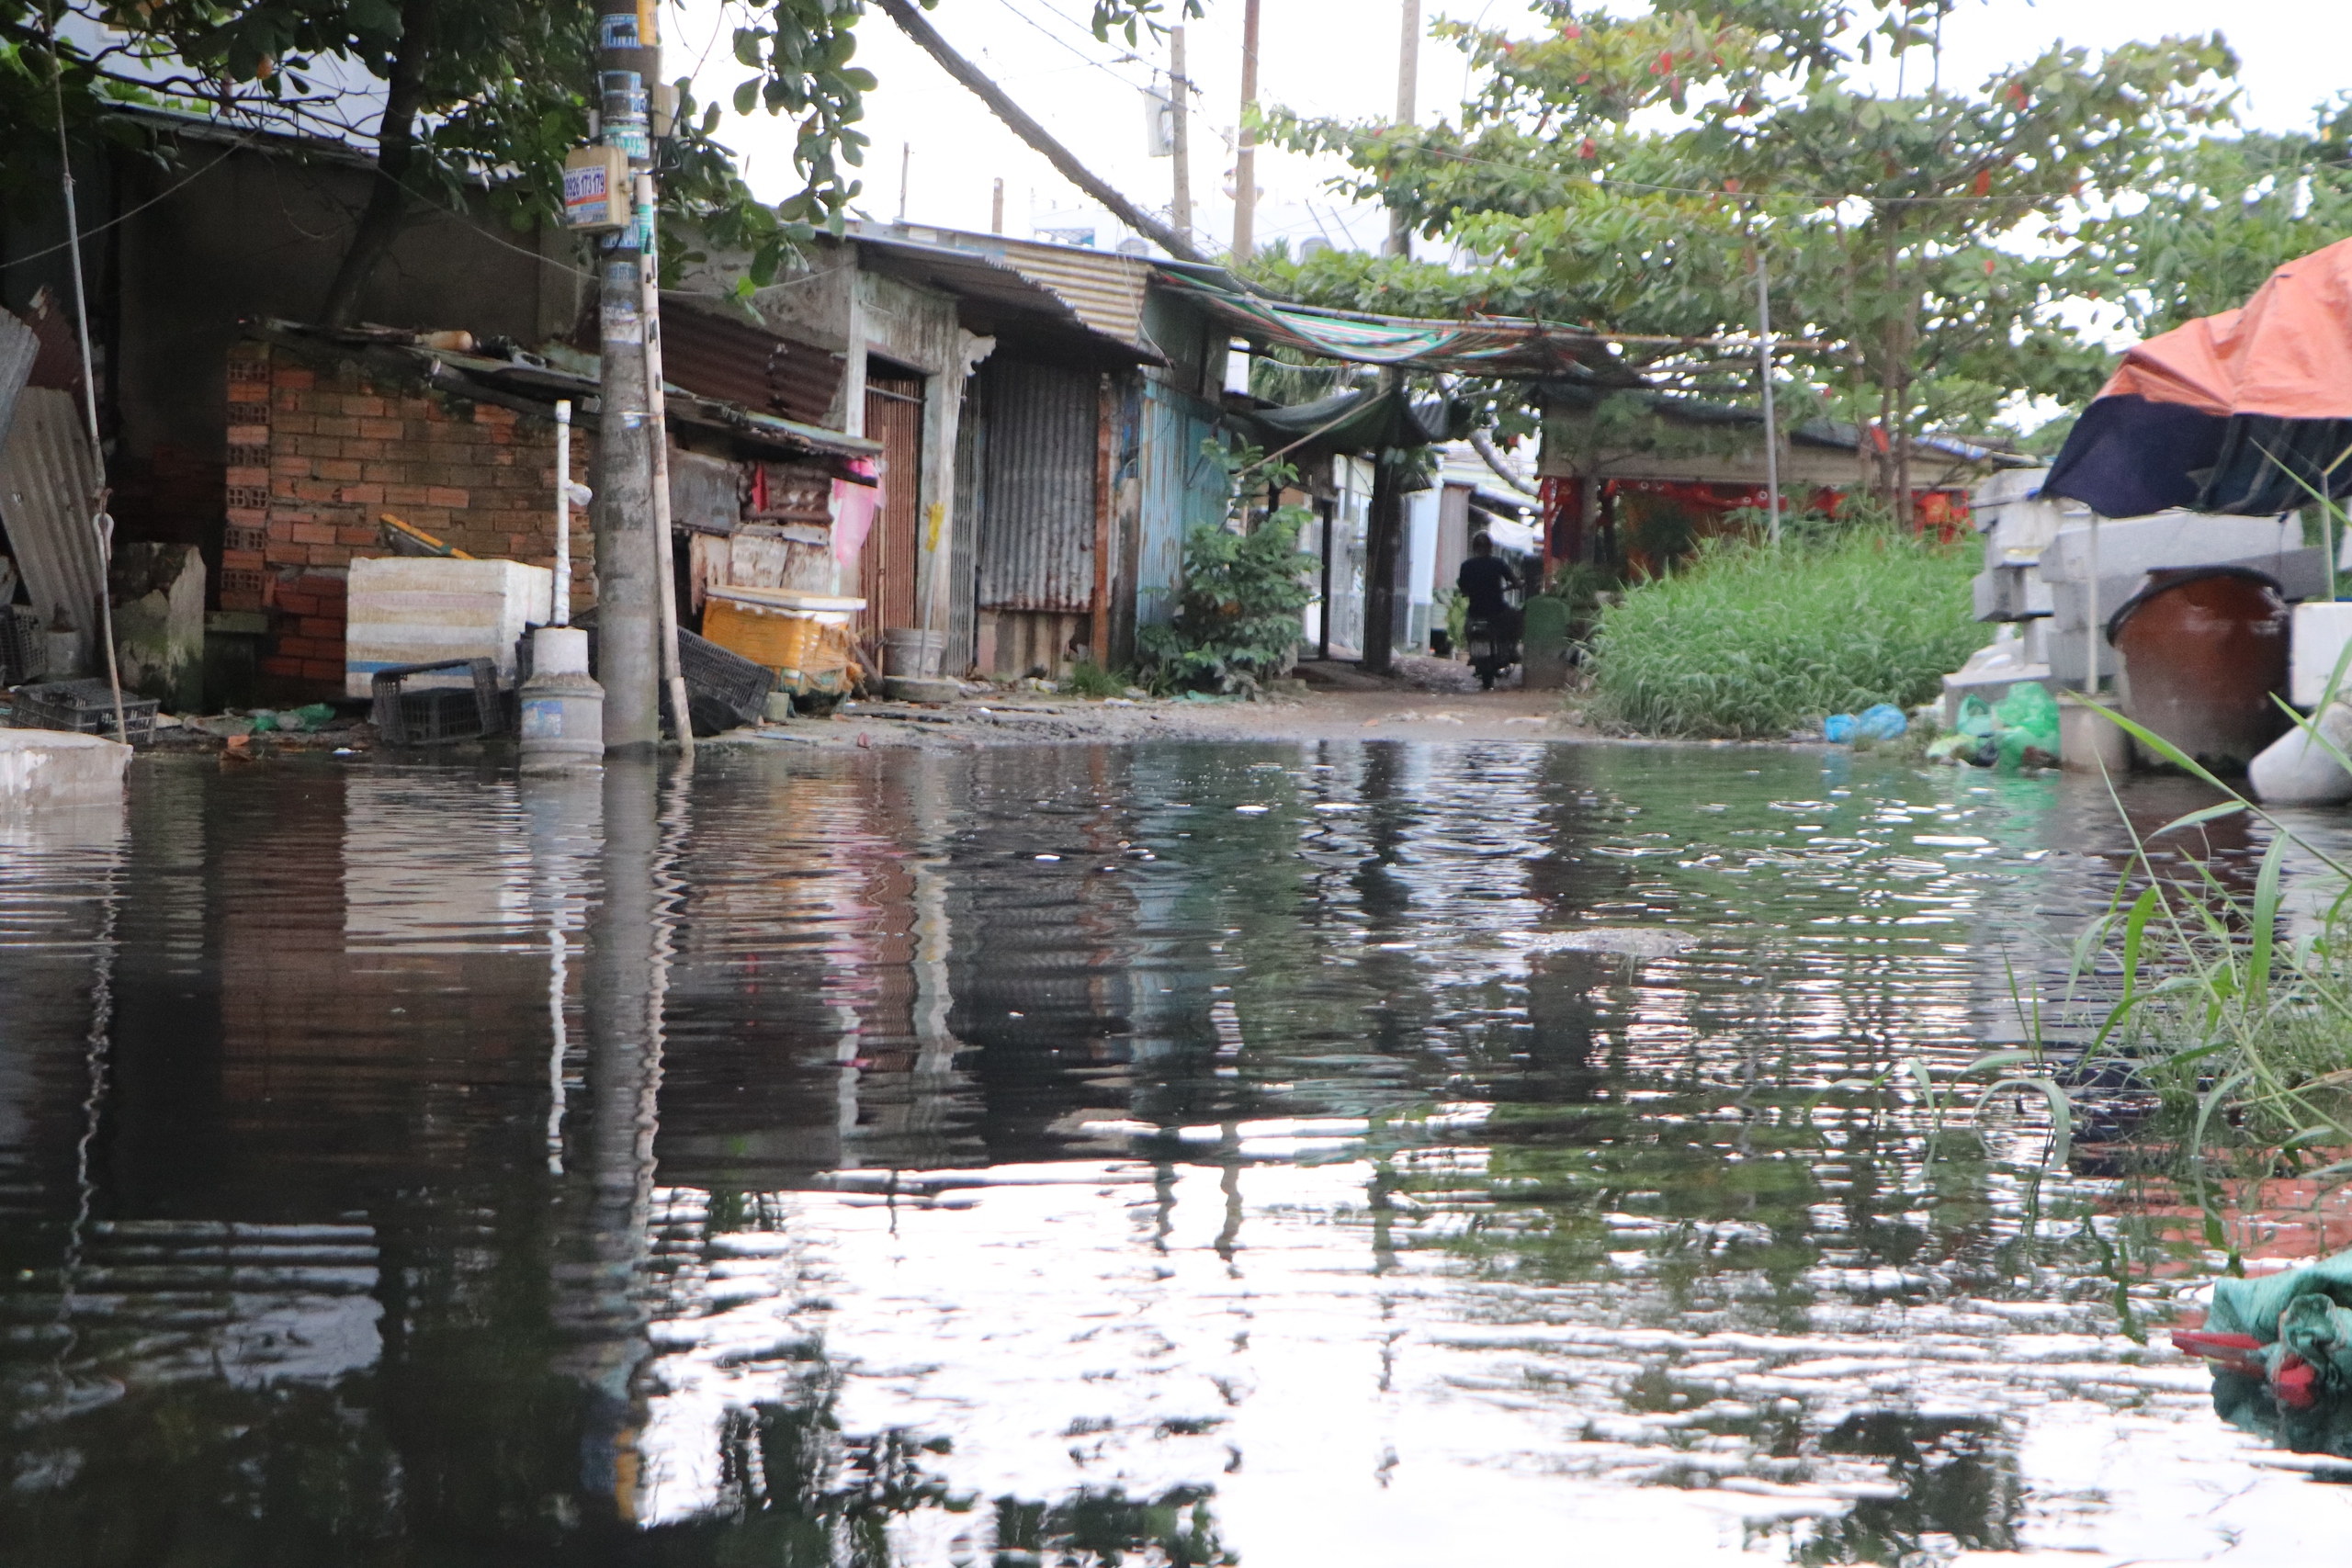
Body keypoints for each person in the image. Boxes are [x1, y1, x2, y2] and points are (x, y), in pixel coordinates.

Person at [1456, 533, 1522, 634]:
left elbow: (1463, 589)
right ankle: (1509, 647)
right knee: (1516, 617)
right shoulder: (1498, 563)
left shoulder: (1466, 566)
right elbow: (1515, 581)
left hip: (1475, 611)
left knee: (1468, 628)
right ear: (1490, 548)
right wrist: (1518, 584)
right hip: (1497, 611)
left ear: (1474, 548)